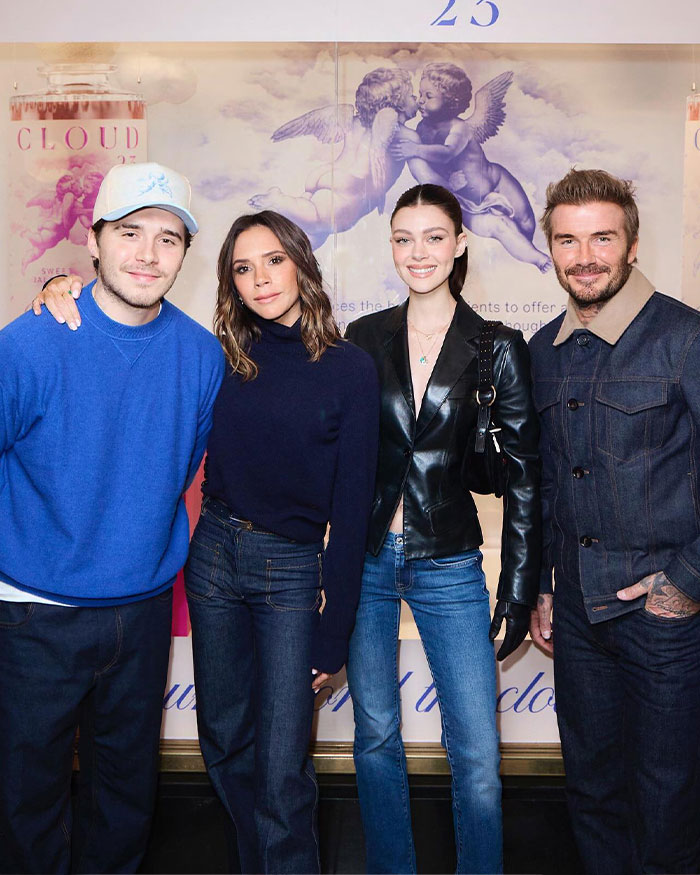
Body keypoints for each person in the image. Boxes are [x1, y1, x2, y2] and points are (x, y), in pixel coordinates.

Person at [35, 209, 380, 875]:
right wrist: (59, 284)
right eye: (243, 268)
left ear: (301, 264)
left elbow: (354, 509)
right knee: (222, 740)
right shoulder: (217, 354)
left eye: (273, 260)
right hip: (214, 555)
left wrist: (333, 631)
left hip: (290, 571)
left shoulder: (350, 369)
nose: (260, 279)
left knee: (281, 766)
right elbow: (120, 331)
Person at [0, 161, 224, 874]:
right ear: (92, 242)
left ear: (185, 254)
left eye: (167, 238)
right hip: (34, 613)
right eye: (129, 233)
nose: (148, 254)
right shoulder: (31, 341)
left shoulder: (201, 354)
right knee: (25, 799)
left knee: (125, 797)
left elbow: (181, 470)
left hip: (143, 607)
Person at [344, 182, 541, 874]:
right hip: (365, 559)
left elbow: (523, 481)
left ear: (460, 243)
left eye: (434, 237)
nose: (418, 252)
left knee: (478, 750)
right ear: (390, 246)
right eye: (404, 238)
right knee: (374, 735)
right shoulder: (362, 338)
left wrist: (517, 592)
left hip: (449, 559)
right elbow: (338, 456)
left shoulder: (497, 346)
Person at [529, 168, 700, 874]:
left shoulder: (685, 336)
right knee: (591, 791)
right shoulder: (541, 349)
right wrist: (543, 583)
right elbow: (543, 482)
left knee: (667, 801)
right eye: (568, 240)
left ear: (632, 243)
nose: (585, 255)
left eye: (602, 236)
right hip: (574, 612)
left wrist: (685, 583)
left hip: (663, 615)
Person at [391, 62, 551, 272]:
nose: (421, 100)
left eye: (428, 96)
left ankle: (530, 247)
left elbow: (447, 152)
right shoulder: (422, 128)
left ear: (450, 101)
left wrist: (416, 150)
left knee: (526, 221)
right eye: (420, 94)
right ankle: (537, 260)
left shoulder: (460, 128)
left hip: (497, 181)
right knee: (500, 227)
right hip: (467, 202)